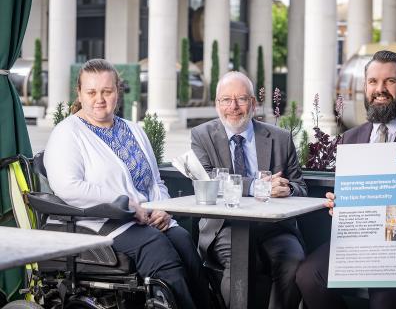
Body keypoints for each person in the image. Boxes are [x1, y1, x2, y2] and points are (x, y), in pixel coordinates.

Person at [295, 50, 396, 309]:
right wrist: (340, 205)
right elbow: (352, 199)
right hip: (361, 241)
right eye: (373, 82)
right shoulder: (351, 138)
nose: (379, 89)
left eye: (389, 81)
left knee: (385, 292)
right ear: (365, 87)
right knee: (308, 275)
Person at [44, 59, 209, 309]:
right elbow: (68, 187)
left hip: (146, 219)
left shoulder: (134, 130)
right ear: (79, 93)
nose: (99, 98)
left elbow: (155, 181)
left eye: (107, 91)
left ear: (117, 92)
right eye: (91, 92)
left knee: (184, 241)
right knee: (158, 249)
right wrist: (129, 205)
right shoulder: (67, 133)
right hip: (98, 222)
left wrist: (163, 209)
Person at [191, 71, 307, 309]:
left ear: (253, 103)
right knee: (241, 260)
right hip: (224, 226)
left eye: (241, 99)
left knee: (292, 261)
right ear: (216, 104)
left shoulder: (281, 138)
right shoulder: (202, 136)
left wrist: (288, 190)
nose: (233, 107)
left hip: (274, 228)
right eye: (226, 100)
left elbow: (300, 187)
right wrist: (258, 186)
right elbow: (209, 180)